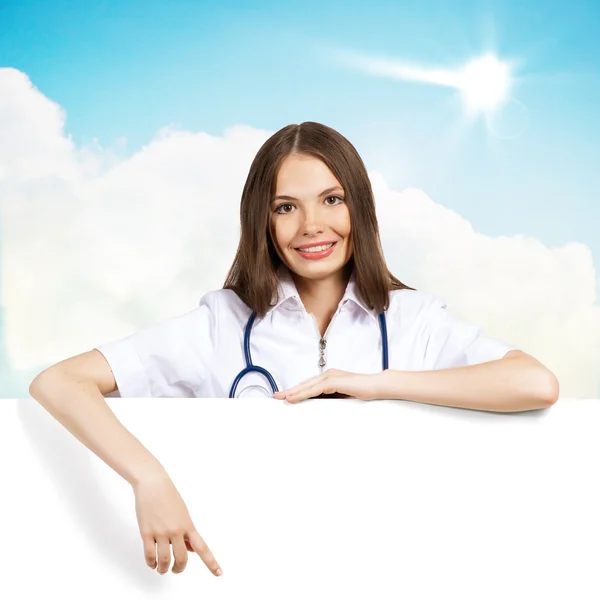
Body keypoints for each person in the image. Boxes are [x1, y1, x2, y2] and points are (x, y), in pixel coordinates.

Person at [29, 122, 559, 577]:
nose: (312, 226)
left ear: (360, 208)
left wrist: (372, 385)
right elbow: (59, 382)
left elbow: (536, 383)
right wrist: (148, 477)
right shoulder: (220, 323)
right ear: (263, 219)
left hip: (390, 568)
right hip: (257, 570)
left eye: (332, 200)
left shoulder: (413, 320)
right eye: (287, 207)